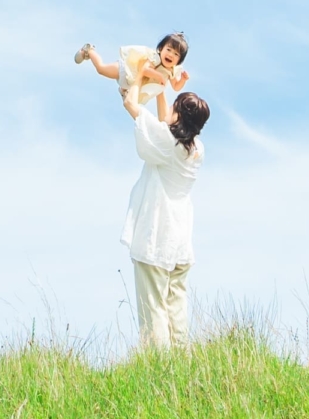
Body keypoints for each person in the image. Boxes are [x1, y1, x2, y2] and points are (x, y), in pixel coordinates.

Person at [120, 81, 209, 351]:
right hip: (180, 240)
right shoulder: (195, 150)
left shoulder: (167, 145)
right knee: (175, 307)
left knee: (153, 308)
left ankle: (158, 368)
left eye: (173, 106)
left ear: (179, 116)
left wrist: (137, 78)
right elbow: (163, 125)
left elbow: (130, 105)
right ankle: (182, 363)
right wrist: (161, 88)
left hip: (156, 236)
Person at [75, 33, 189, 113]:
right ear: (161, 49)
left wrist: (182, 80)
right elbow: (145, 70)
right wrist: (158, 76)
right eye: (168, 50)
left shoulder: (172, 71)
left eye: (176, 54)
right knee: (101, 69)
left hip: (131, 84)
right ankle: (89, 51)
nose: (170, 55)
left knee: (132, 100)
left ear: (179, 60)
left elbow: (176, 87)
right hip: (126, 70)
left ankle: (124, 90)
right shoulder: (155, 58)